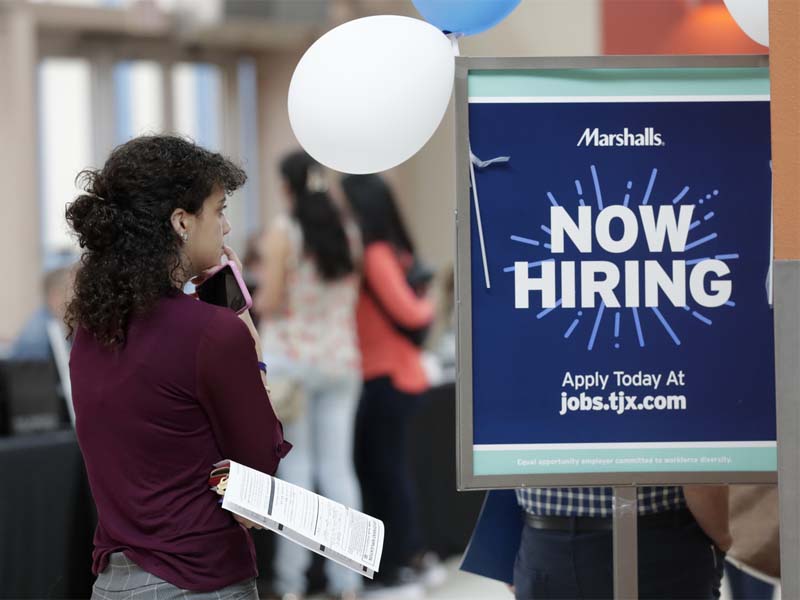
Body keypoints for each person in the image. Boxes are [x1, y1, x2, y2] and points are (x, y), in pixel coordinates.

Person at [66, 135, 291, 599]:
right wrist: (245, 328)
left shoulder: (91, 329)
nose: (226, 227)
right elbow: (259, 462)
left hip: (115, 582)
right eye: (219, 210)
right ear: (182, 221)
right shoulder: (214, 333)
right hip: (198, 578)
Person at [256, 151, 363, 600]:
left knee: (297, 471)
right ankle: (347, 583)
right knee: (339, 471)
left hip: (292, 364)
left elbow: (270, 300)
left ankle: (292, 585)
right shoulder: (348, 230)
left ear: (286, 185)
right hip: (341, 360)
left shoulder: (284, 231)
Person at [341, 174, 439, 594]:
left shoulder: (374, 253)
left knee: (385, 475)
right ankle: (405, 558)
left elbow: (412, 312)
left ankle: (401, 561)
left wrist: (428, 301)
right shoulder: (386, 250)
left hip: (386, 377)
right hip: (391, 375)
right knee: (388, 473)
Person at [512, 484, 730, 599]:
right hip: (659, 546)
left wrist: (505, 557)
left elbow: (499, 454)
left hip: (546, 546)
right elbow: (699, 480)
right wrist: (722, 539)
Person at [10, 266, 74, 360]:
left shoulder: (52, 323)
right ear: (55, 295)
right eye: (72, 292)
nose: (75, 298)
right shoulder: (38, 334)